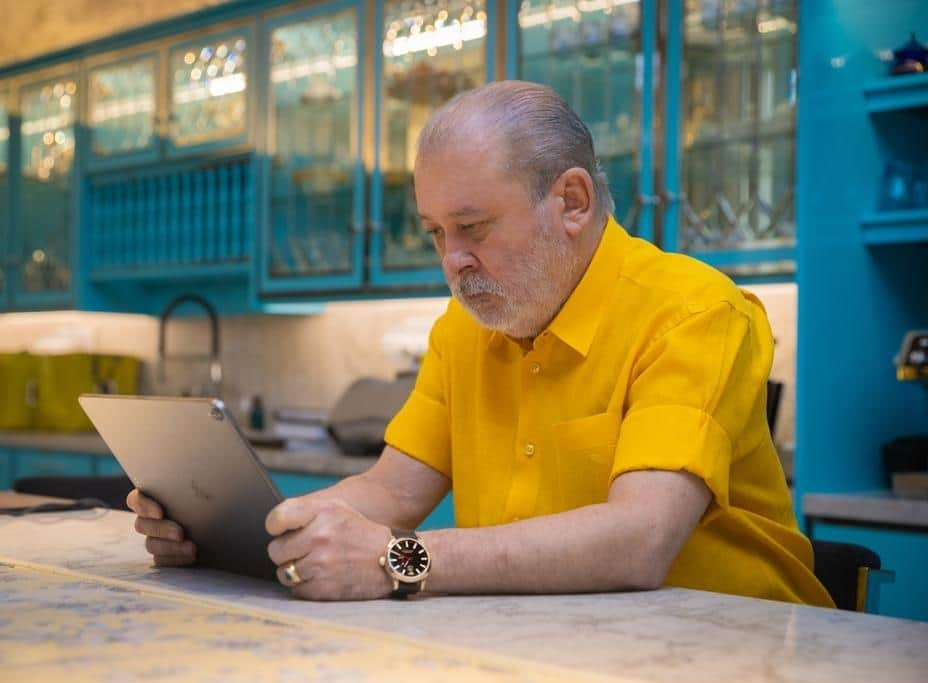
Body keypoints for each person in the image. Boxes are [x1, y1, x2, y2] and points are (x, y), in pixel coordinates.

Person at [128, 80, 833, 607]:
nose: (452, 261)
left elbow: (640, 537)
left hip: (737, 647)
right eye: (437, 233)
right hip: (557, 641)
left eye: (474, 226)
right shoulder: (466, 327)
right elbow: (389, 491)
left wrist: (396, 560)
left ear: (573, 202)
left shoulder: (693, 311)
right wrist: (249, 535)